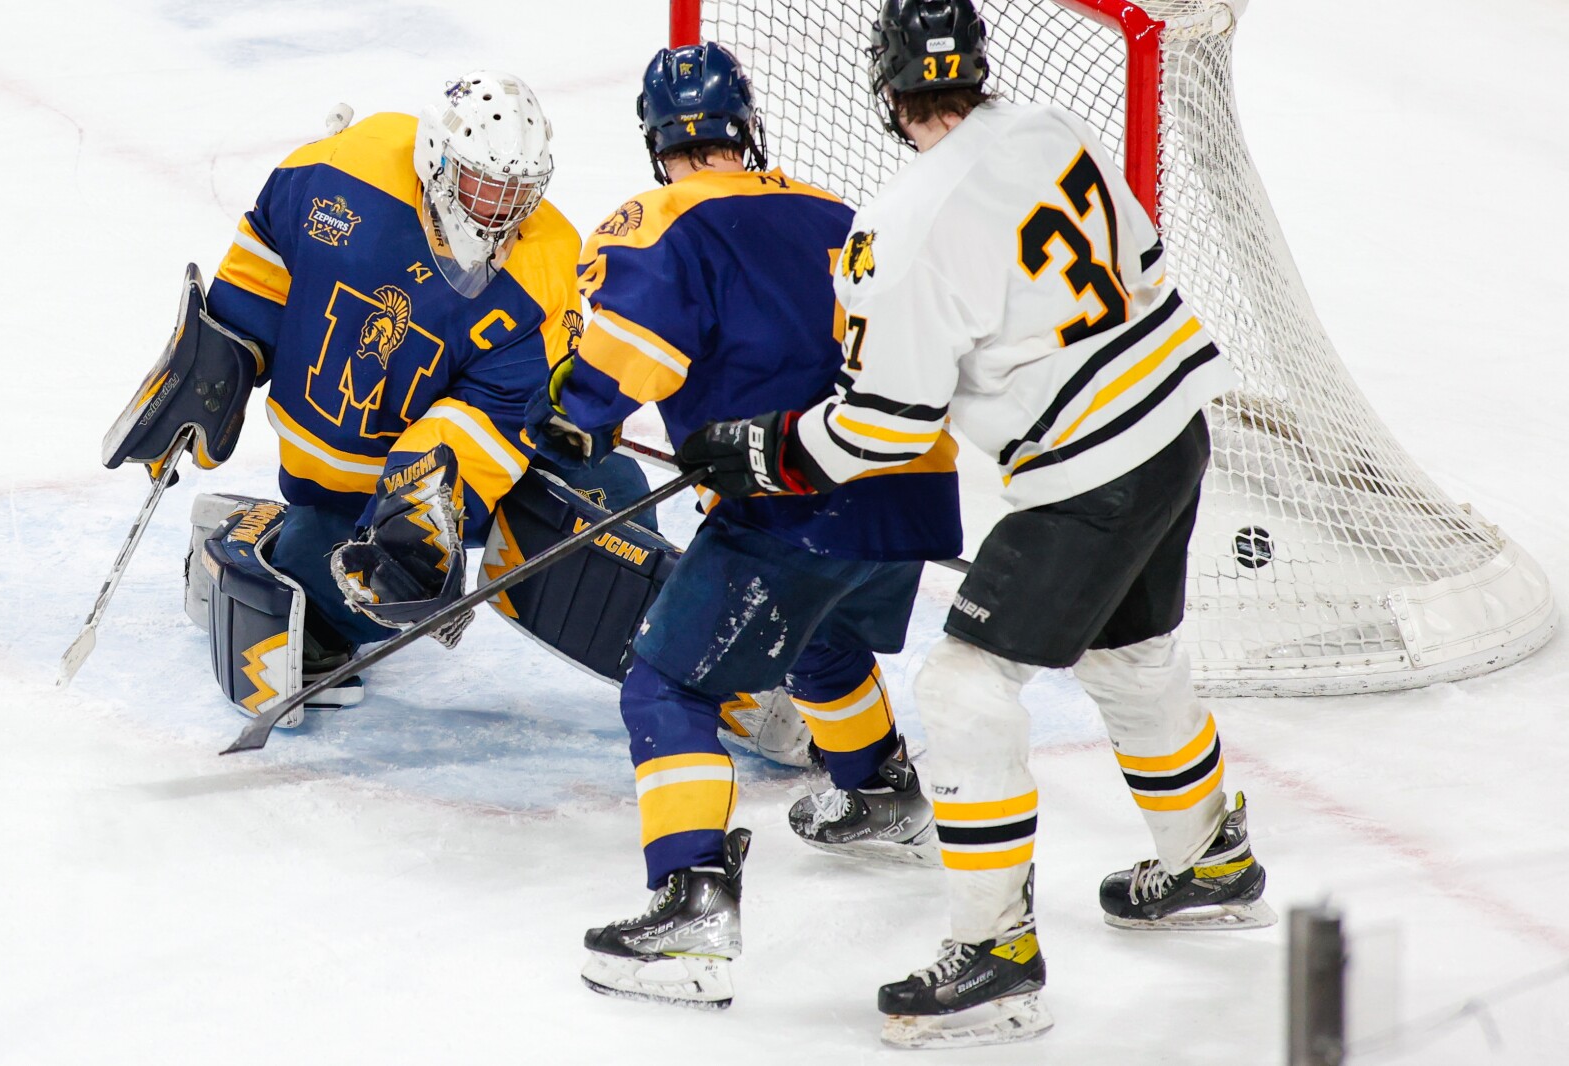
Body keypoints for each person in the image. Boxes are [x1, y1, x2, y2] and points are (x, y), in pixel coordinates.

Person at [678, 0, 1275, 1048]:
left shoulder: (900, 224)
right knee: (1131, 658)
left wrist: (766, 447)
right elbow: (1140, 266)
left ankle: (996, 958)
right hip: (1176, 427)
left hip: (1089, 475)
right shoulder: (1056, 128)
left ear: (887, 85)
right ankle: (1208, 862)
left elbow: (885, 425)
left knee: (959, 689)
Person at [523, 41, 963, 1009]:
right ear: (745, 127)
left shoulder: (664, 214)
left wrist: (574, 417)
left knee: (664, 683)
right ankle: (879, 789)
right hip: (908, 486)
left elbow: (623, 354)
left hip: (793, 500)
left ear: (657, 143)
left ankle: (690, 903)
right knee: (826, 639)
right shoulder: (837, 206)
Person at [105, 70, 651, 720]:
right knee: (357, 595)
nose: (500, 209)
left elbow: (493, 416)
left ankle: (688, 649)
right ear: (438, 163)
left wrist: (423, 510)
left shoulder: (543, 262)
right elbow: (266, 254)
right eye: (483, 185)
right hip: (340, 487)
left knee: (612, 498)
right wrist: (218, 358)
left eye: (517, 192)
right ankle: (250, 550)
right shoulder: (343, 173)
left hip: (449, 471)